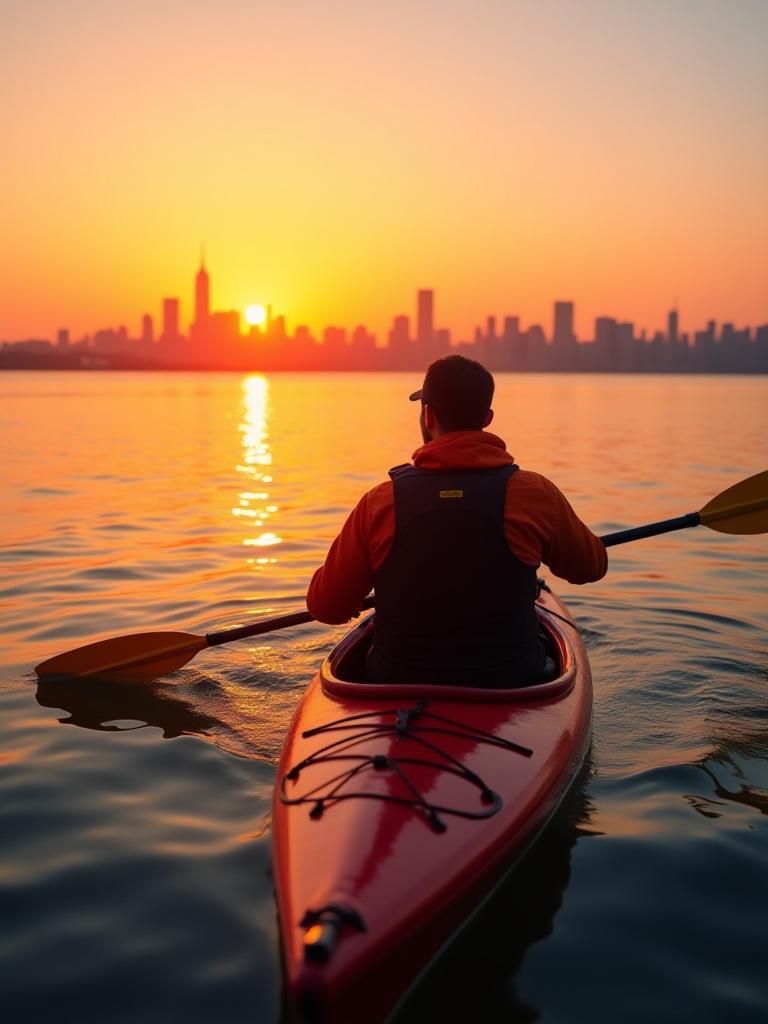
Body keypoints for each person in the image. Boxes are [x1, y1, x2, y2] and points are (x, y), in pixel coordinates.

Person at [307, 355, 607, 686]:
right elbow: (590, 568)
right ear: (487, 418)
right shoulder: (535, 494)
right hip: (513, 680)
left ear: (428, 414)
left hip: (395, 680)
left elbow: (326, 607)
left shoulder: (379, 502)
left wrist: (354, 591)